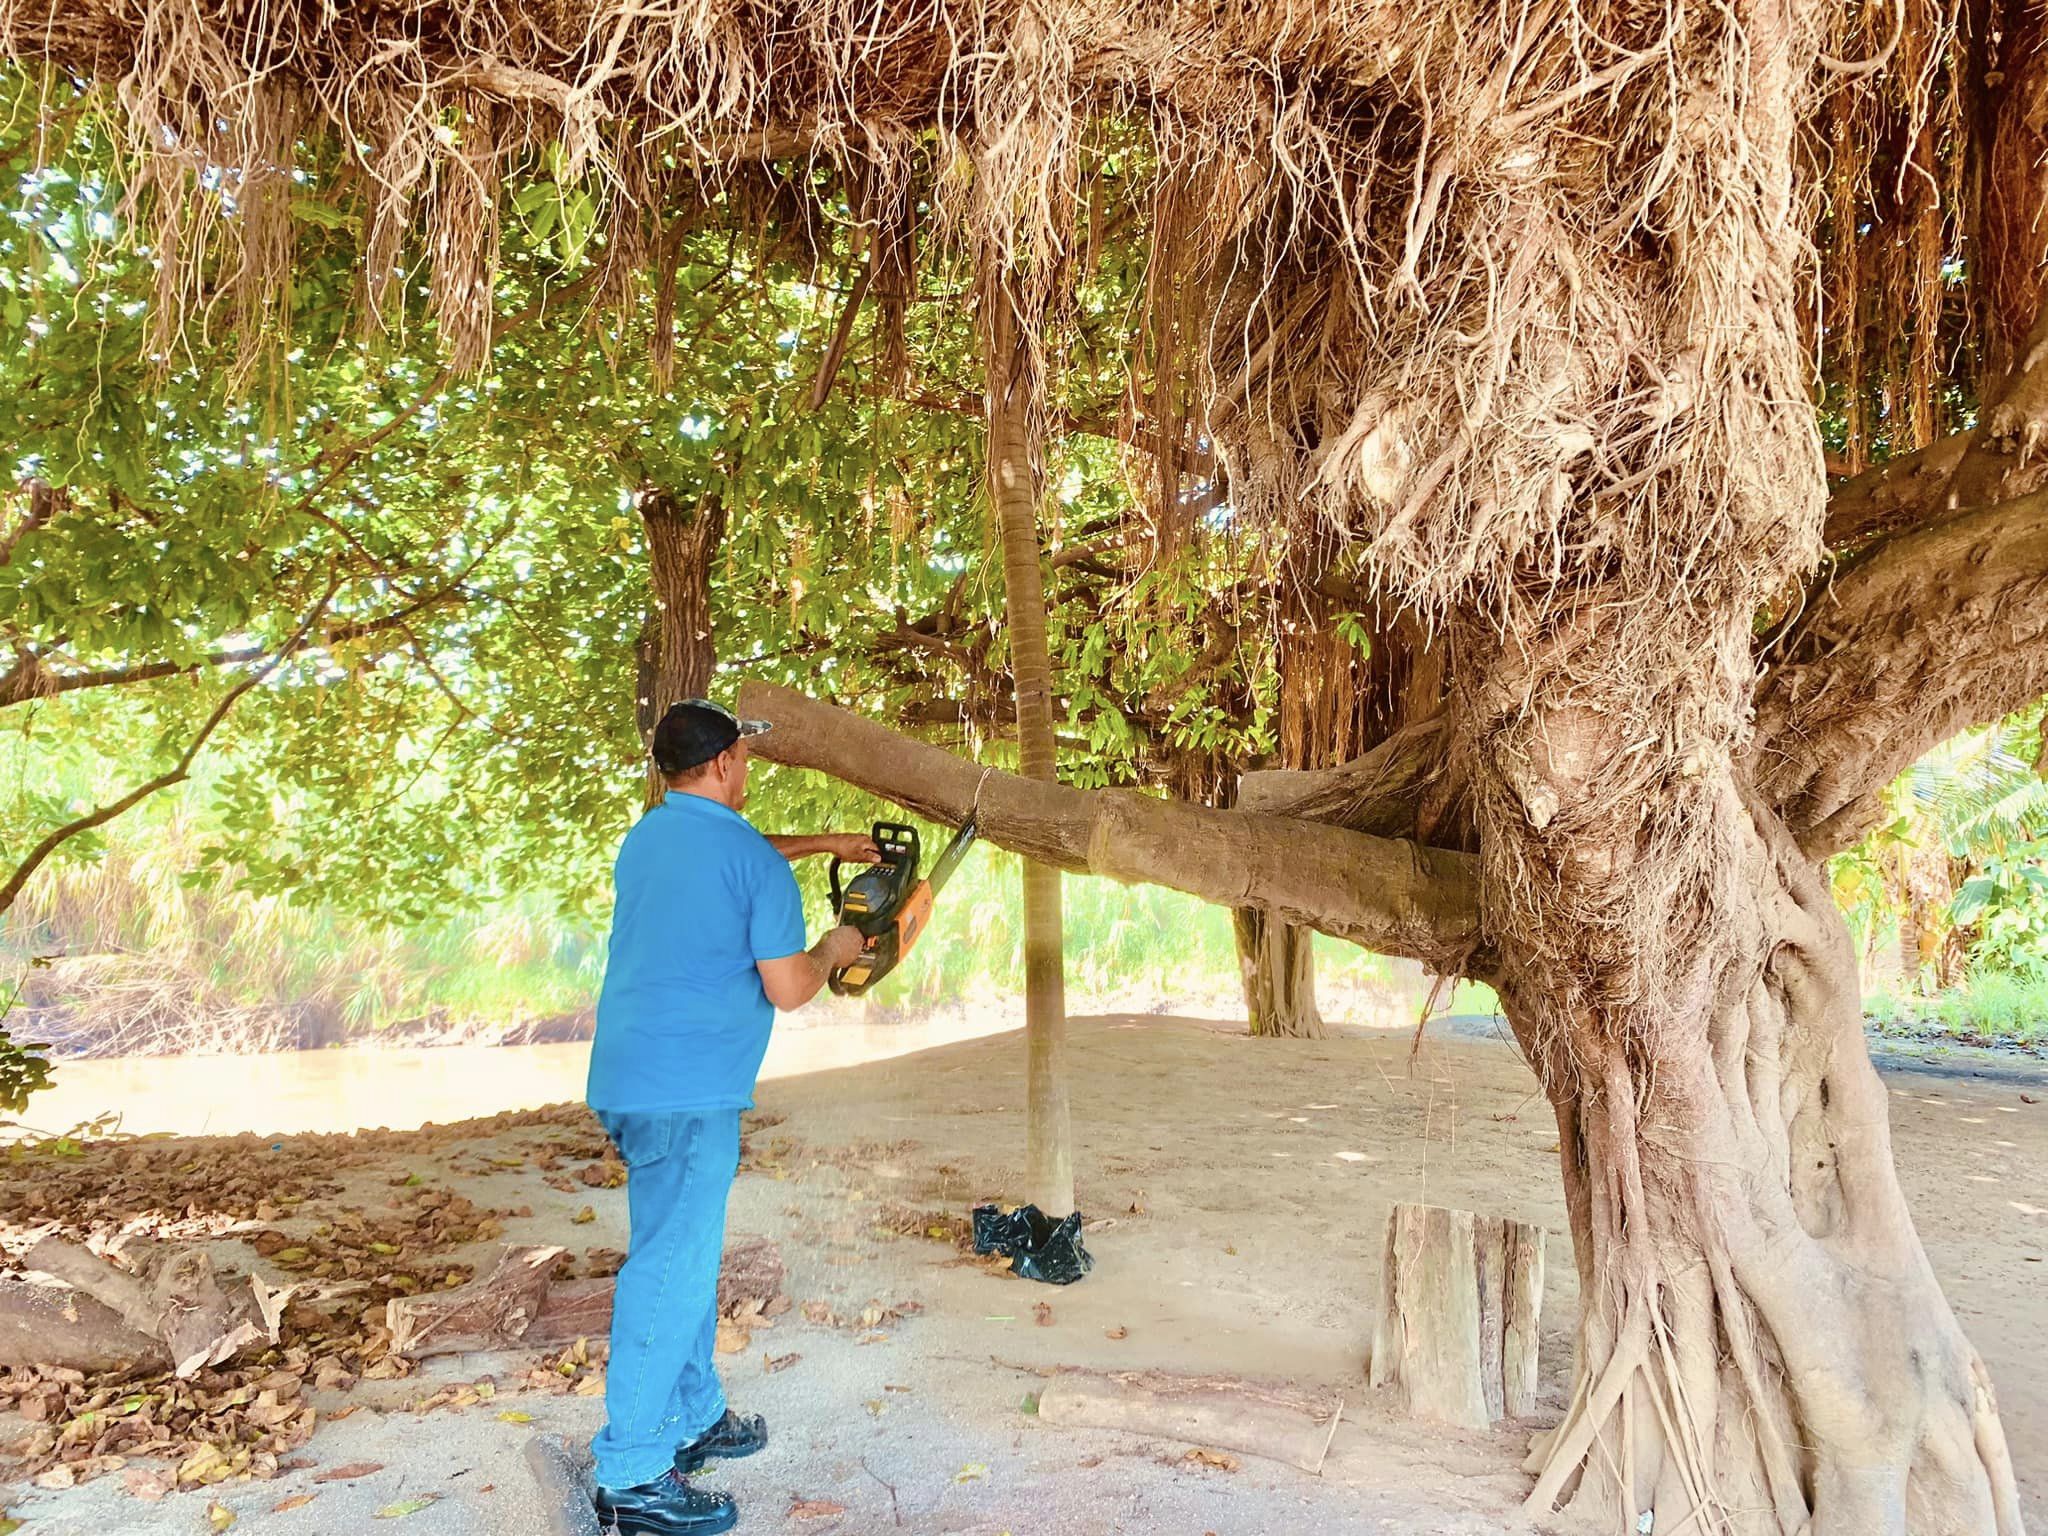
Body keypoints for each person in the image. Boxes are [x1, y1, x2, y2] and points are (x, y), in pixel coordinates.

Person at [586, 698, 874, 1536]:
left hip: (631, 1080)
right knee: (668, 1271)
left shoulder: (648, 839)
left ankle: (695, 1416)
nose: (747, 768)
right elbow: (789, 987)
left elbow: (733, 851)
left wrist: (824, 844)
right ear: (722, 765)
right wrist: (837, 946)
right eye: (744, 758)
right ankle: (634, 1474)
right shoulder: (753, 869)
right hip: (690, 1094)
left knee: (681, 1252)